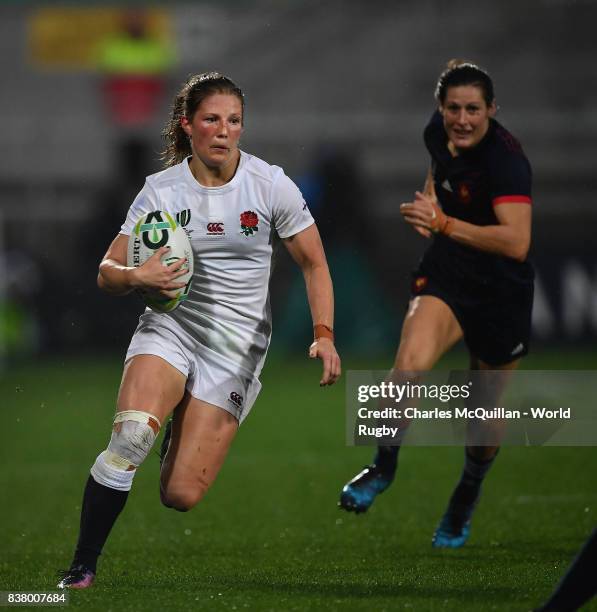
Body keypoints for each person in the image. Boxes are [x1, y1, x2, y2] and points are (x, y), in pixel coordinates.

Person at [57, 72, 341, 589]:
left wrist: (323, 332)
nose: (224, 130)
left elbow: (315, 264)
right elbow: (107, 271)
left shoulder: (269, 185)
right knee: (128, 440)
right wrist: (137, 276)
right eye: (212, 119)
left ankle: (178, 427)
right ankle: (82, 566)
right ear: (187, 125)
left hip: (237, 348)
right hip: (170, 328)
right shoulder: (161, 192)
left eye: (234, 121)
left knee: (180, 494)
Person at [338, 60, 534, 548]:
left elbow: (516, 242)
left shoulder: (506, 160)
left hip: (501, 288)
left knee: (482, 412)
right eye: (453, 108)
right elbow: (440, 173)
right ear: (440, 108)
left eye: (473, 109)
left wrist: (444, 223)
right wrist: (430, 204)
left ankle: (467, 491)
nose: (462, 119)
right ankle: (382, 467)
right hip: (450, 271)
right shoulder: (436, 132)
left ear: (491, 110)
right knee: (406, 369)